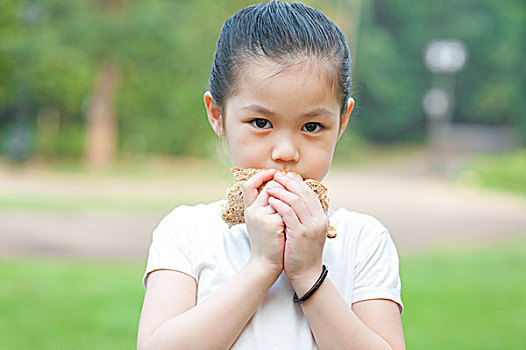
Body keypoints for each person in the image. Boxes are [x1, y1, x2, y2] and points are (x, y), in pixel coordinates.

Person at [137, 1, 405, 349]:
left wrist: (309, 273)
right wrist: (262, 266)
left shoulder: (364, 240)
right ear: (217, 114)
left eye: (312, 126)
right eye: (261, 123)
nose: (286, 152)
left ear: (342, 121)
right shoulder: (185, 233)